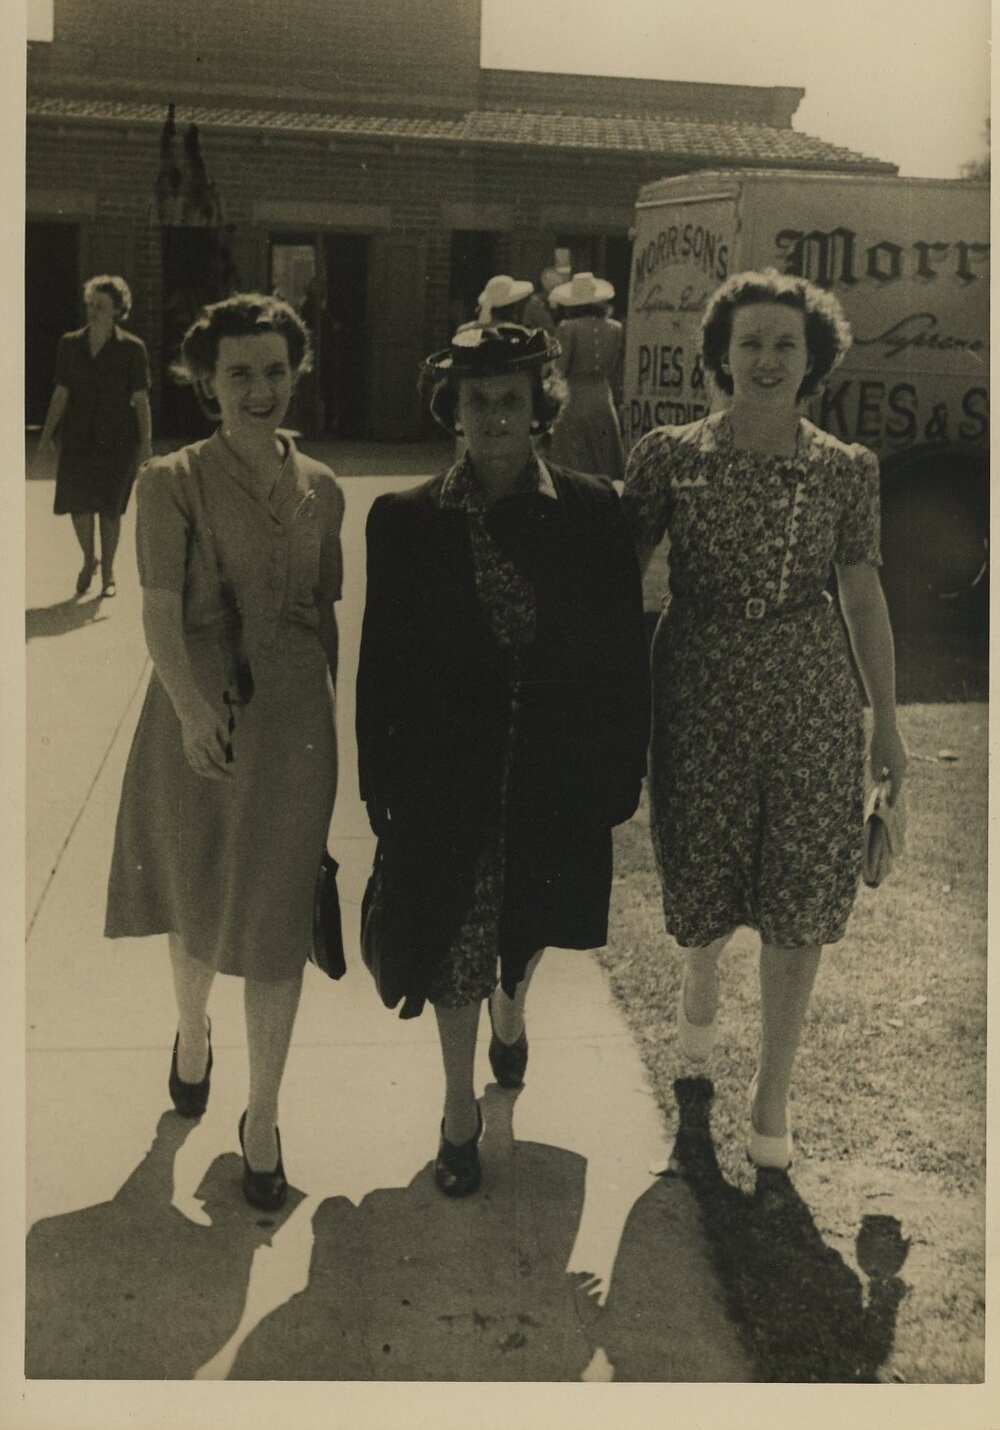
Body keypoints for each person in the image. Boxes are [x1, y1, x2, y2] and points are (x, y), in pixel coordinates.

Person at [621, 269, 908, 1169]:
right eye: (751, 342)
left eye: (787, 344)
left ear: (813, 357)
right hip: (699, 683)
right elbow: (613, 578)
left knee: (800, 886)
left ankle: (771, 1090)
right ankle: (700, 982)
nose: (769, 359)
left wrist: (887, 723)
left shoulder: (843, 469)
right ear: (721, 355)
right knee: (700, 872)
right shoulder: (669, 456)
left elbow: (862, 596)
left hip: (809, 688)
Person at [356, 322, 650, 1198]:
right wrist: (382, 788)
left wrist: (617, 772)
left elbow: (620, 658)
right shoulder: (405, 519)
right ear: (454, 410)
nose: (492, 415)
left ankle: (512, 1007)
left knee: (521, 929)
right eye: (475, 399)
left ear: (539, 410)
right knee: (455, 941)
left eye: (510, 399)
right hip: (451, 779)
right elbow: (381, 666)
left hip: (550, 771)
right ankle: (456, 1112)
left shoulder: (596, 510)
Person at [105, 293, 345, 1210]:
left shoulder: (323, 485)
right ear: (205, 380)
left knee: (279, 913)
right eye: (239, 372)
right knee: (200, 888)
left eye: (275, 371)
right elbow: (159, 614)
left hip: (293, 725)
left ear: (297, 372)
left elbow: (323, 616)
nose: (260, 389)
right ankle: (192, 1031)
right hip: (195, 709)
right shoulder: (169, 481)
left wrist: (334, 731)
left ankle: (264, 1117)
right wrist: (193, 709)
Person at [38, 275, 153, 598]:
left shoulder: (132, 349)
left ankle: (109, 571)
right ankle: (89, 560)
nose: (94, 312)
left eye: (101, 306)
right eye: (90, 305)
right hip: (77, 436)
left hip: (118, 439)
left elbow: (141, 400)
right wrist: (47, 434)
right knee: (78, 505)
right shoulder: (69, 344)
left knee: (110, 509)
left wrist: (146, 444)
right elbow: (61, 391)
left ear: (118, 309)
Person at [545, 272, 626, 479]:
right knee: (602, 455)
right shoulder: (615, 328)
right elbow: (617, 368)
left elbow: (560, 369)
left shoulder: (568, 327)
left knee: (573, 457)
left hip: (574, 395)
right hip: (602, 395)